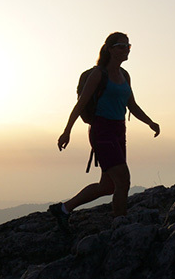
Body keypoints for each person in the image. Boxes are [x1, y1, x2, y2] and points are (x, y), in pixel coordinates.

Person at [50, 32, 159, 224]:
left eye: (128, 46)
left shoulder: (125, 75)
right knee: (123, 180)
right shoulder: (99, 74)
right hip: (102, 131)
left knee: (107, 186)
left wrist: (150, 122)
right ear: (109, 49)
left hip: (119, 131)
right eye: (121, 46)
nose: (127, 50)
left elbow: (131, 105)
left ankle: (63, 209)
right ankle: (120, 224)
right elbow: (81, 104)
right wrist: (67, 131)